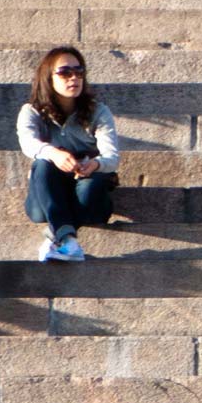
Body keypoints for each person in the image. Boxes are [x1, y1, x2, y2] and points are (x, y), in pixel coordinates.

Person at [17, 45, 118, 263]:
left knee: (93, 186)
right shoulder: (31, 111)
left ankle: (61, 237)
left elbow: (112, 157)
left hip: (87, 195)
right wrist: (53, 153)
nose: (74, 78)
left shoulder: (98, 112)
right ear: (48, 78)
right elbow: (28, 143)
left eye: (79, 72)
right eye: (65, 72)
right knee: (42, 164)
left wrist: (94, 165)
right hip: (46, 196)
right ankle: (67, 238)